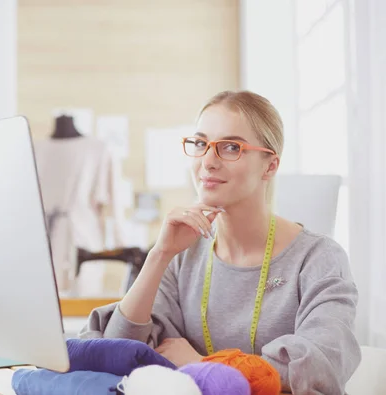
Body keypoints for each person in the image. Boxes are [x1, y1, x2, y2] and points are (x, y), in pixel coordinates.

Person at [79, 90, 361, 394]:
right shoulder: (181, 255)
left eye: (231, 147)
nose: (208, 161)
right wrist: (160, 254)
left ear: (270, 166)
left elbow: (320, 367)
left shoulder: (319, 259)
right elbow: (119, 352)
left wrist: (203, 364)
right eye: (201, 144)